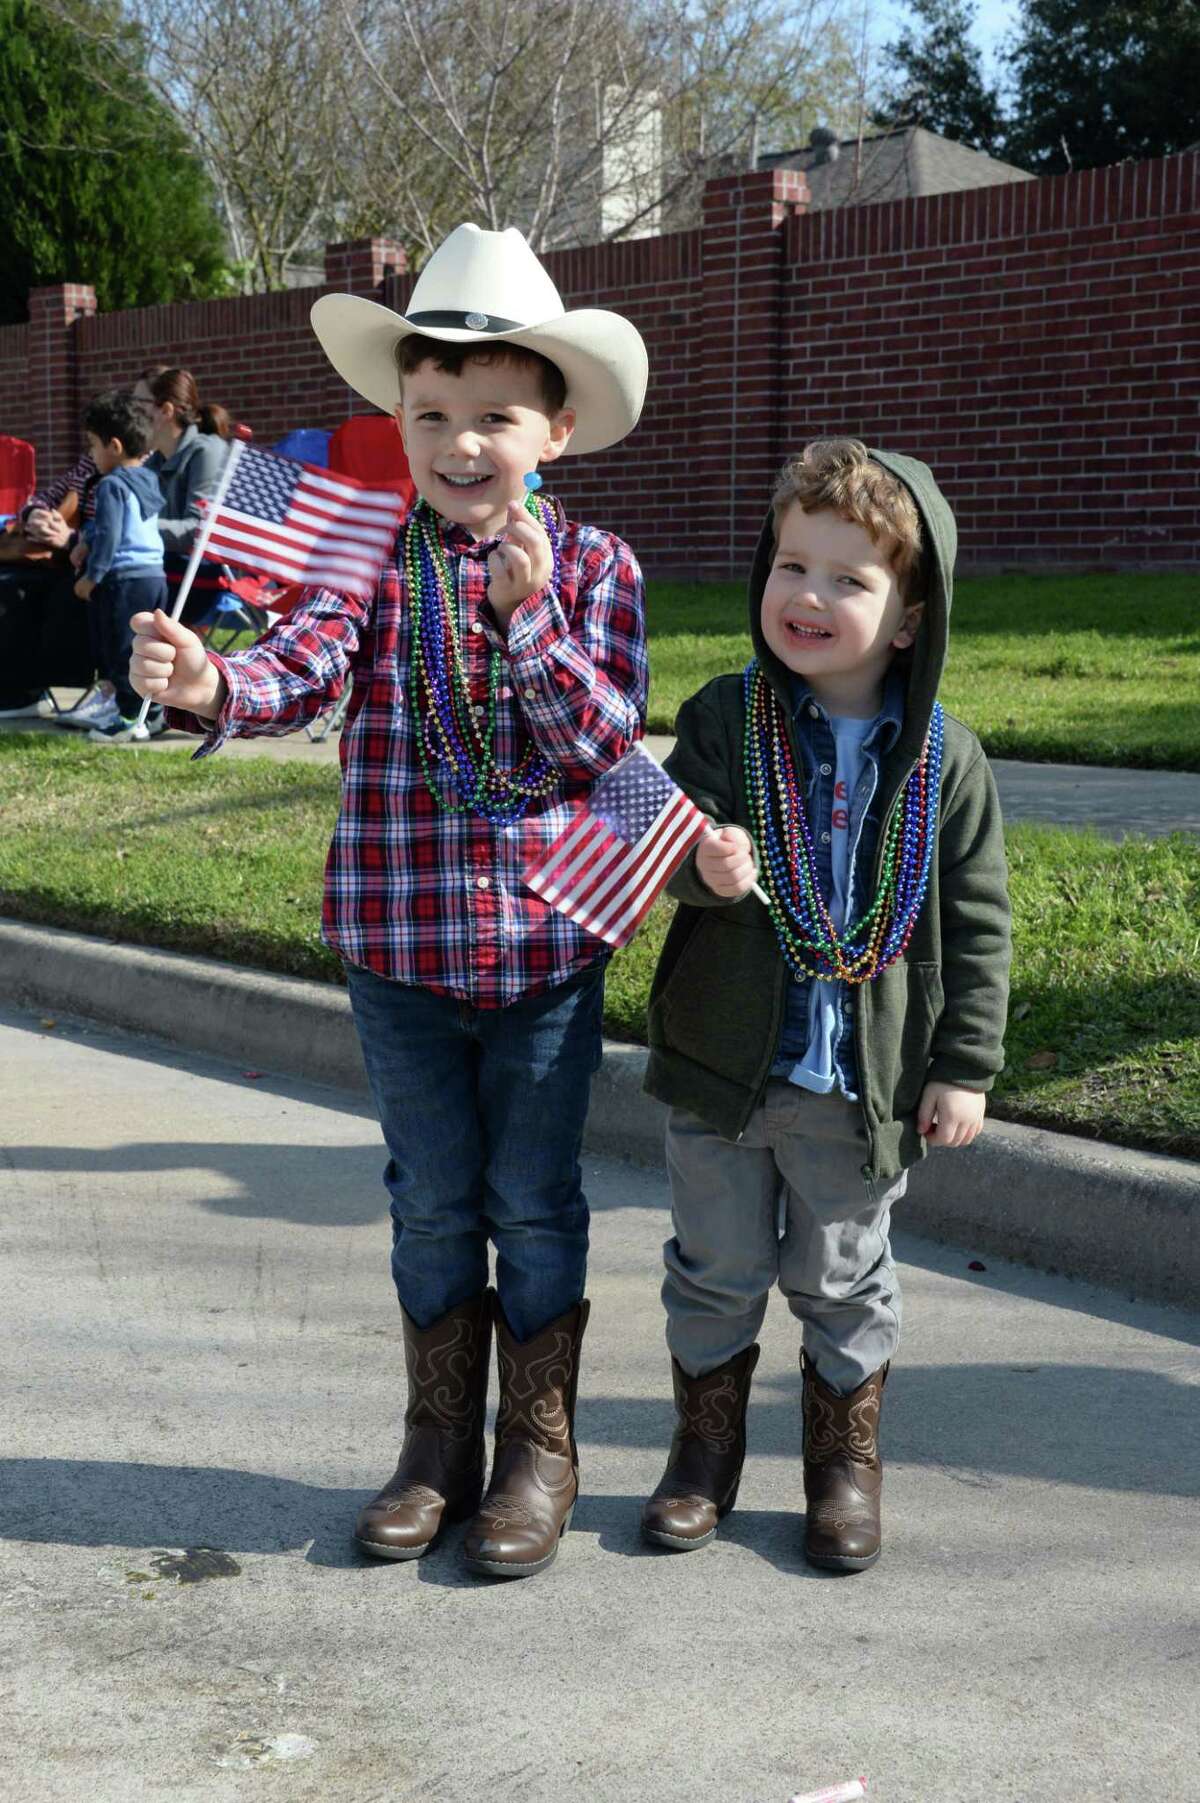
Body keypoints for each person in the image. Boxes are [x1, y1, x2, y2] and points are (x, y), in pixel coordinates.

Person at [128, 223, 649, 1579]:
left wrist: (527, 622)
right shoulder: (367, 562)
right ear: (398, 418)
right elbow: (297, 664)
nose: (460, 443)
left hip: (541, 949)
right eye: (432, 414)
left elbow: (600, 750)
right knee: (430, 1199)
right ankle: (437, 1443)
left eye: (494, 416)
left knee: (532, 1199)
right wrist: (213, 685)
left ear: (557, 426)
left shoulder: (597, 570)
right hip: (399, 944)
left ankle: (539, 1446)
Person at [640, 439, 1011, 1572]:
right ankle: (703, 1457)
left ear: (908, 619)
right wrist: (696, 857)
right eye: (790, 565)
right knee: (713, 1267)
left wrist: (965, 1066)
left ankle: (842, 1471)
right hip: (723, 1069)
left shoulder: (945, 759)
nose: (807, 596)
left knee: (844, 1280)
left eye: (848, 579)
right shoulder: (723, 720)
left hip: (860, 1087)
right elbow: (653, 845)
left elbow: (980, 918)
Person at [70, 389, 167, 743]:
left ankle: (127, 718)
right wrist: (87, 539)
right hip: (154, 575)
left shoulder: (110, 484)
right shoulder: (149, 479)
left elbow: (112, 535)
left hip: (122, 580)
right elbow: (128, 525)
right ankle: (151, 713)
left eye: (93, 445)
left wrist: (91, 577)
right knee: (149, 649)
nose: (91, 454)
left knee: (122, 650)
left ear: (113, 445)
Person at [132, 365, 233, 624]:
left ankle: (122, 663)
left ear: (165, 410)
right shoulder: (153, 462)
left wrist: (130, 529)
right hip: (164, 567)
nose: (131, 414)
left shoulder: (206, 452)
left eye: (138, 404)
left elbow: (198, 531)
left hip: (203, 574)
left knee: (116, 584)